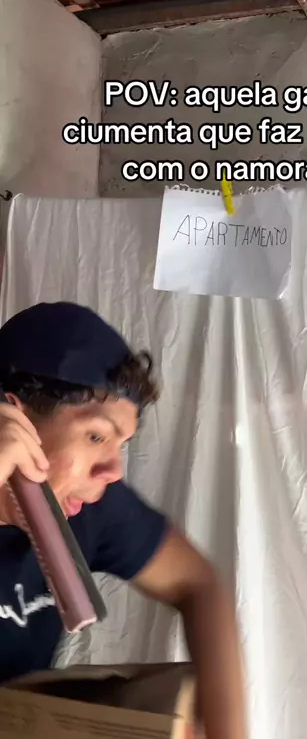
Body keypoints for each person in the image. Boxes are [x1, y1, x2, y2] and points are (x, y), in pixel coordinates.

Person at [0, 301, 246, 739]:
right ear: (12, 417)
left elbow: (198, 583)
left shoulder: (85, 505)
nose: (112, 470)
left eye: (121, 444)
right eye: (96, 436)